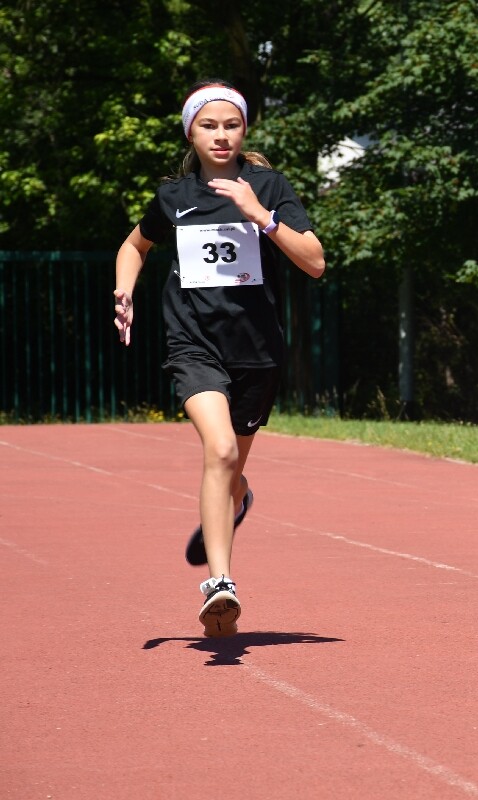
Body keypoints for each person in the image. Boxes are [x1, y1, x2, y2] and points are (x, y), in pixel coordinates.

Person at [113, 79, 326, 637]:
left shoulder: (268, 186)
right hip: (193, 343)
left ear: (245, 130)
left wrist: (263, 215)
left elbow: (315, 262)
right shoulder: (175, 198)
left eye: (231, 124)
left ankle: (239, 498)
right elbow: (134, 245)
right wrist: (125, 291)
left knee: (233, 467)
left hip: (256, 352)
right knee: (222, 447)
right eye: (209, 125)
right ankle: (220, 584)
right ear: (191, 132)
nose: (221, 134)